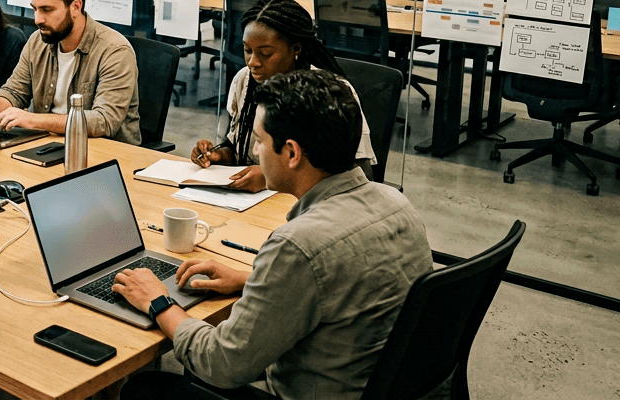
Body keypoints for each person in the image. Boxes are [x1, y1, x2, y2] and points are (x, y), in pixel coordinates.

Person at [113, 70, 432, 400]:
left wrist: (158, 301)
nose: (254, 149)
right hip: (378, 387)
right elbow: (341, 287)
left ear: (292, 153)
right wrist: (249, 279)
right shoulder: (397, 204)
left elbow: (220, 364)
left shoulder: (299, 245)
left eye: (260, 141)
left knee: (144, 390)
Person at [190, 0, 377, 192]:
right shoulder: (244, 80)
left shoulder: (328, 93)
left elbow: (359, 176)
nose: (252, 62)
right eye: (247, 50)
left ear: (296, 48)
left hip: (307, 205)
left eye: (265, 53)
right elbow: (239, 147)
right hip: (251, 200)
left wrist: (271, 175)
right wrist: (221, 155)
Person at [0, 0, 141, 146]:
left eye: (47, 10)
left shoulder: (115, 51)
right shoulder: (38, 41)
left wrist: (31, 119)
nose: (37, 19)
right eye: (35, 9)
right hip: (47, 145)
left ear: (75, 7)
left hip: (103, 153)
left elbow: (103, 121)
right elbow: (13, 91)